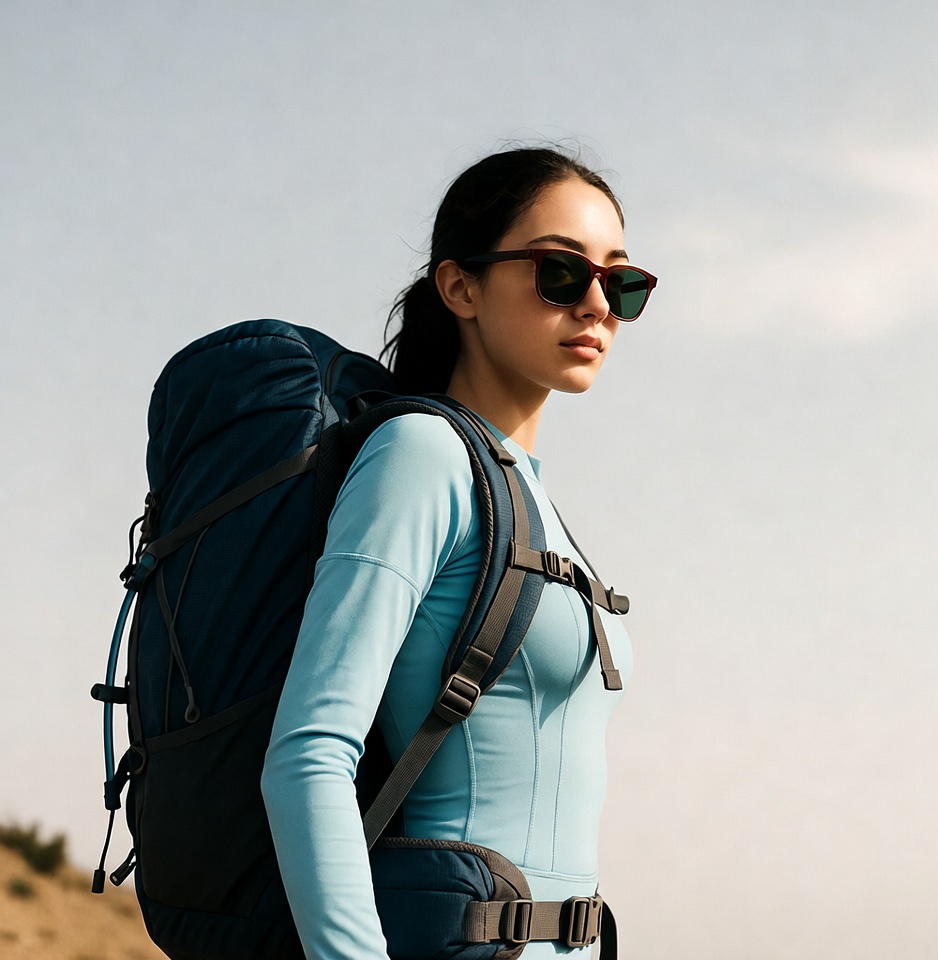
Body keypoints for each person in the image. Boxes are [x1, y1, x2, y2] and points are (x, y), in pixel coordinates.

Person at [261, 145, 656, 959]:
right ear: (460, 287)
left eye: (620, 282)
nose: (596, 304)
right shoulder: (421, 456)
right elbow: (308, 754)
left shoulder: (531, 500)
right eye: (559, 272)